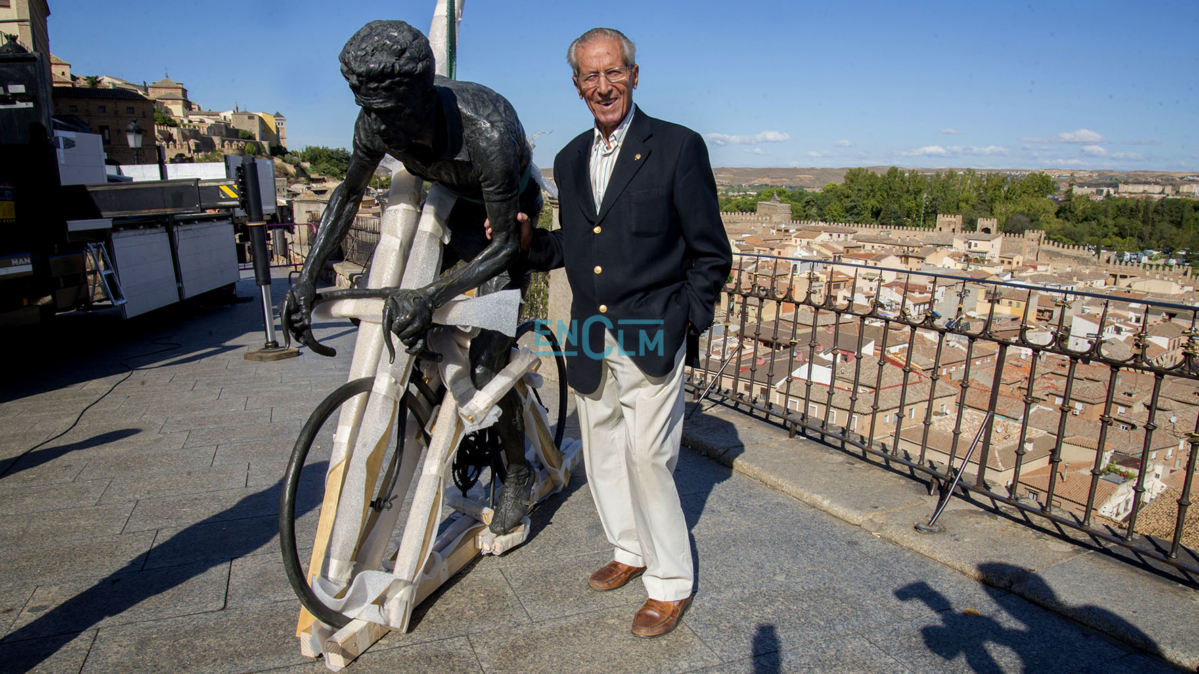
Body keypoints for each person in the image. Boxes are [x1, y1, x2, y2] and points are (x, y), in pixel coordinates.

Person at [499, 27, 732, 637]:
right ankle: (629, 549)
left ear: (633, 74)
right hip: (588, 335)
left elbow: (711, 252)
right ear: (577, 86)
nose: (604, 86)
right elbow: (574, 247)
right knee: (601, 449)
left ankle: (670, 582)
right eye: (590, 77)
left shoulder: (679, 147)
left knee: (649, 457)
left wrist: (686, 318)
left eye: (613, 73)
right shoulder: (571, 157)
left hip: (655, 329)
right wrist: (530, 245)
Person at [279, 20, 542, 536]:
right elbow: (348, 195)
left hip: (503, 226)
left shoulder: (488, 130)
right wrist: (307, 276)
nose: (385, 130)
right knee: (410, 335)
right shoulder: (377, 119)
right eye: (372, 113)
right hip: (447, 214)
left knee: (488, 365)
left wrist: (428, 295)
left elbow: (506, 244)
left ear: (425, 93)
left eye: (395, 115)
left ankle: (518, 470)